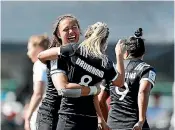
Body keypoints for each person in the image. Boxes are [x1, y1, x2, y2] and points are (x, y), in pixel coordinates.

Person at [37, 22, 126, 130]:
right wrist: (119, 56)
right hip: (90, 119)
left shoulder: (74, 49)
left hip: (69, 116)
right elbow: (120, 82)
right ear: (105, 42)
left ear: (87, 35)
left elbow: (41, 56)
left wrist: (60, 54)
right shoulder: (106, 63)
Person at [35, 14, 101, 130]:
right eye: (66, 29)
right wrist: (94, 90)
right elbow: (63, 89)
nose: (71, 31)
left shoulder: (84, 56)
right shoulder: (55, 56)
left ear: (79, 31)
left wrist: (100, 119)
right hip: (50, 116)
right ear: (58, 35)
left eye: (74, 27)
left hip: (70, 117)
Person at [99, 28, 157, 130]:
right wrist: (141, 120)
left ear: (126, 52)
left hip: (112, 124)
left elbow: (100, 100)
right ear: (143, 53)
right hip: (134, 125)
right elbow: (143, 91)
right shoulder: (146, 70)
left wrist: (106, 122)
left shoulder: (112, 69)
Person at [24, 34, 49, 130]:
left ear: (38, 48)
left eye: (29, 49)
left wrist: (28, 116)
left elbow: (38, 94)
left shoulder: (39, 64)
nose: (28, 53)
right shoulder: (53, 63)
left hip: (42, 114)